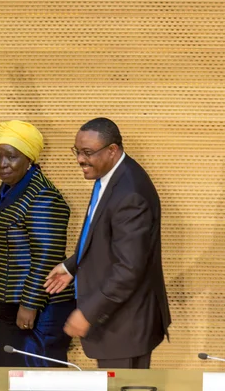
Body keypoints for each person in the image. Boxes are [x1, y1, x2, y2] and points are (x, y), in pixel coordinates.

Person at [44, 118, 171, 369]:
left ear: (112, 150)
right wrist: (73, 266)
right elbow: (101, 233)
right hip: (120, 322)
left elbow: (129, 268)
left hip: (125, 326)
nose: (80, 159)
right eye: (77, 151)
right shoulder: (111, 175)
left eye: (87, 153)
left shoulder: (130, 193)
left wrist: (88, 312)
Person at [0, 120, 76, 367]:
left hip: (40, 309)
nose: (2, 164)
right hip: (11, 305)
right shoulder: (9, 187)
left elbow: (47, 255)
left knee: (35, 378)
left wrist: (30, 304)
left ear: (29, 159)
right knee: (7, 376)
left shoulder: (43, 194)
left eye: (11, 157)